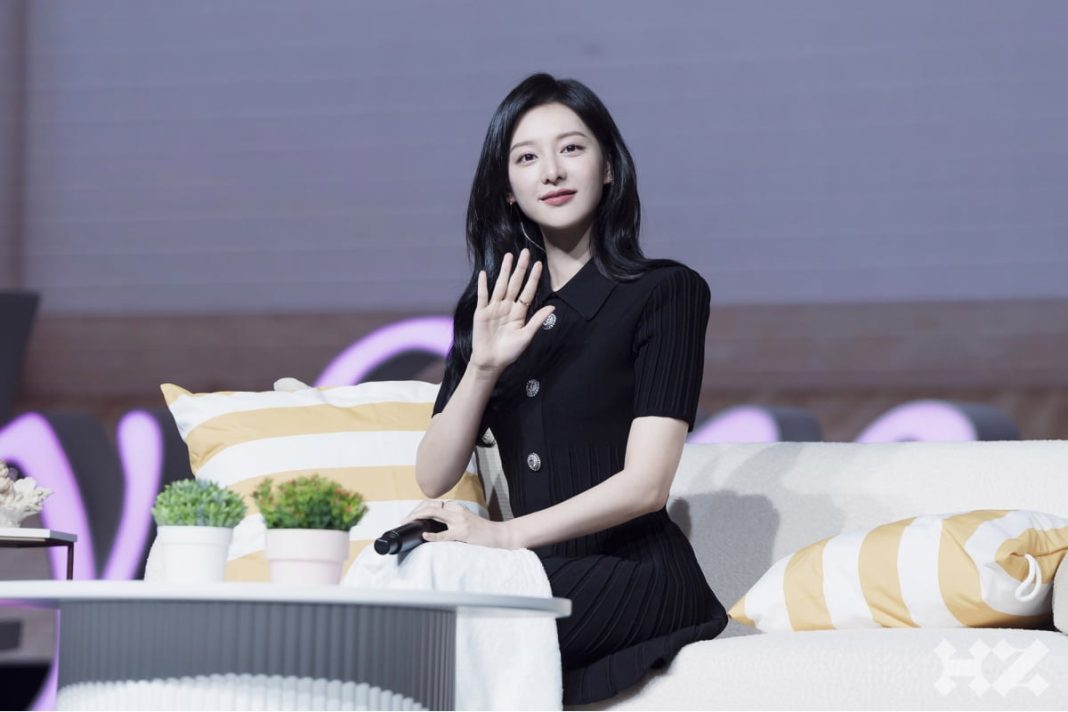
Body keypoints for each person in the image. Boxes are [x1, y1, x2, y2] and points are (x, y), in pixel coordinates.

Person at [401, 72, 727, 705]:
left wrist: (500, 537)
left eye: (571, 148)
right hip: (539, 572)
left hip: (637, 577)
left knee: (441, 641)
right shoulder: (492, 307)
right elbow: (433, 474)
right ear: (507, 188)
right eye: (526, 158)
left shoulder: (666, 292)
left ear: (608, 167)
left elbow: (647, 486)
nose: (551, 171)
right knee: (398, 607)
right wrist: (483, 366)